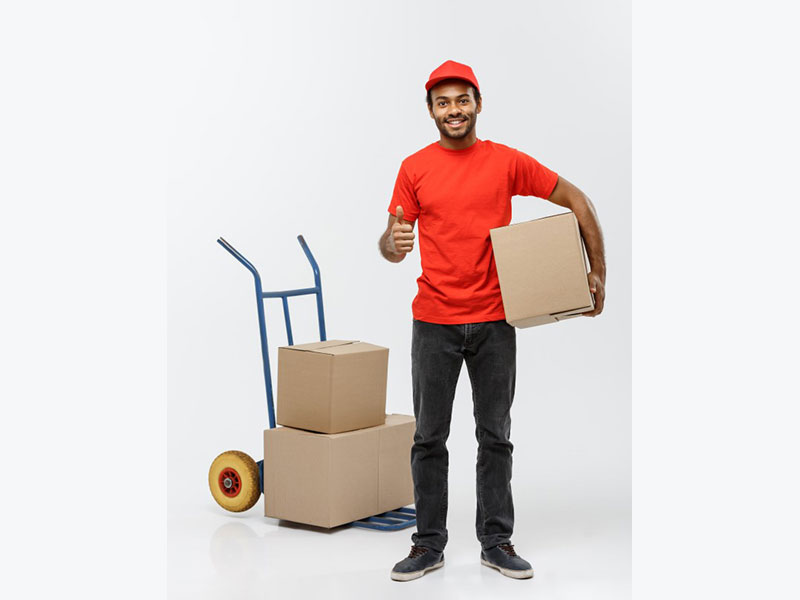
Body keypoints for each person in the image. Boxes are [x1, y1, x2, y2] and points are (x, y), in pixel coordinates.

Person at [379, 60, 606, 582]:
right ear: (431, 110)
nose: (453, 110)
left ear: (478, 103)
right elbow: (392, 239)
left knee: (494, 435)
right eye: (443, 102)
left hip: (495, 322)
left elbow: (579, 201)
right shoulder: (414, 168)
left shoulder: (505, 163)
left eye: (462, 100)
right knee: (428, 438)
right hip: (434, 322)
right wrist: (391, 244)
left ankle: (496, 541)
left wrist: (596, 273)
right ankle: (428, 544)